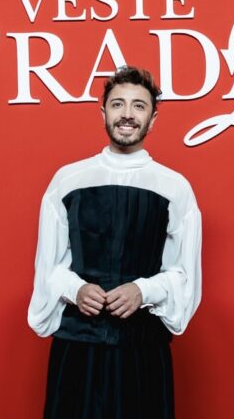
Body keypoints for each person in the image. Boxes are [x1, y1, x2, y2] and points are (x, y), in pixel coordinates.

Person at [27, 66, 202, 419]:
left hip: (142, 350)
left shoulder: (175, 187)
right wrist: (76, 289)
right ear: (103, 112)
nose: (127, 114)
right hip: (78, 347)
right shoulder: (67, 180)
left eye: (139, 106)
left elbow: (185, 274)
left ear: (153, 119)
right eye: (118, 104)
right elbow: (48, 267)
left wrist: (142, 290)